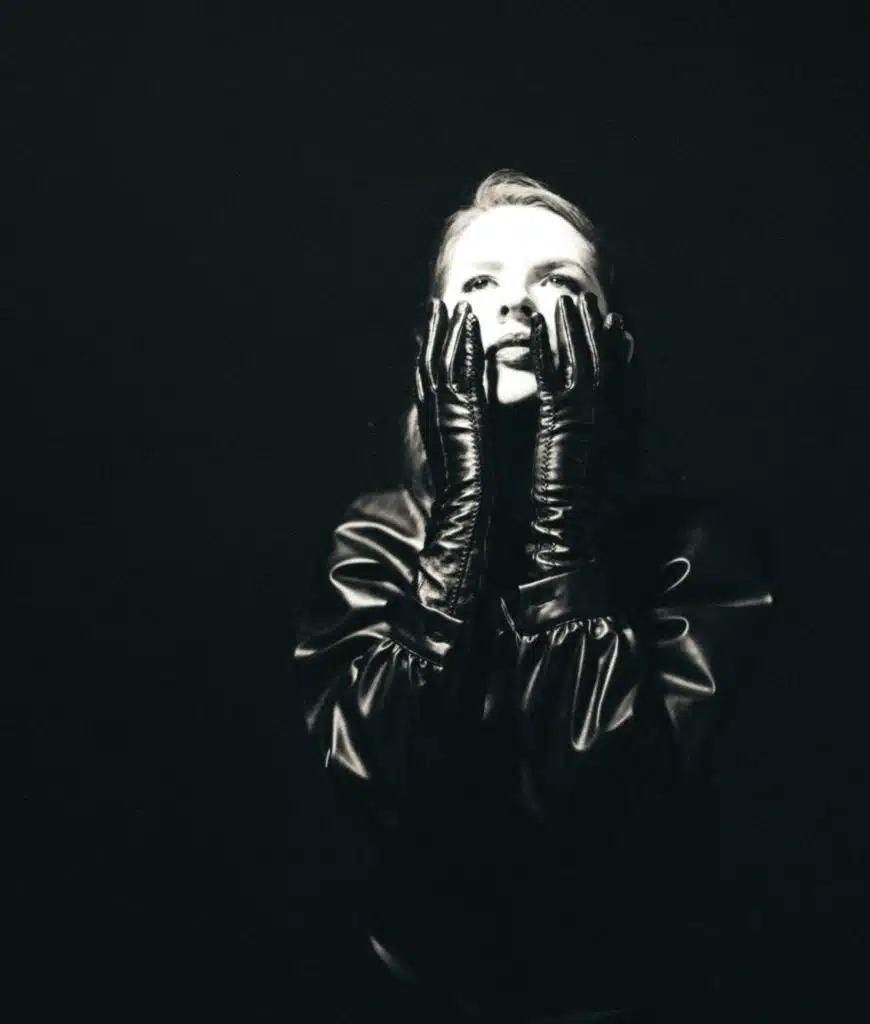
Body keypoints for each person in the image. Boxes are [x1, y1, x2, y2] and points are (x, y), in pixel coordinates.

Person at [293, 170, 775, 1022]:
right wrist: (461, 526)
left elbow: (622, 817)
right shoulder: (378, 533)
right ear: (434, 335)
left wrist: (559, 521)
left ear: (613, 337)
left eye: (558, 282)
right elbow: (373, 787)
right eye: (480, 284)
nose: (515, 303)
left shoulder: (701, 546)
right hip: (412, 993)